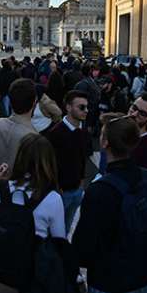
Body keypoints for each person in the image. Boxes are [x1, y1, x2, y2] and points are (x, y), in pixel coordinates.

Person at [73, 113, 147, 293]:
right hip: (144, 275)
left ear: (104, 143)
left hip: (111, 281)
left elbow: (85, 245)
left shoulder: (100, 190)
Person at [0, 134, 66, 293]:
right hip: (33, 273)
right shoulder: (53, 198)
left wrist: (0, 183)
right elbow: (59, 240)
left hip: (2, 270)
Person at [45, 90, 93, 234]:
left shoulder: (83, 131)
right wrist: (56, 187)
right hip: (61, 191)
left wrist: (82, 181)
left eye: (86, 107)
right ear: (68, 107)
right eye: (81, 107)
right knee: (53, 229)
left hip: (77, 189)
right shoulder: (55, 133)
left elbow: (82, 157)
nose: (86, 111)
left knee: (66, 228)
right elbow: (49, 163)